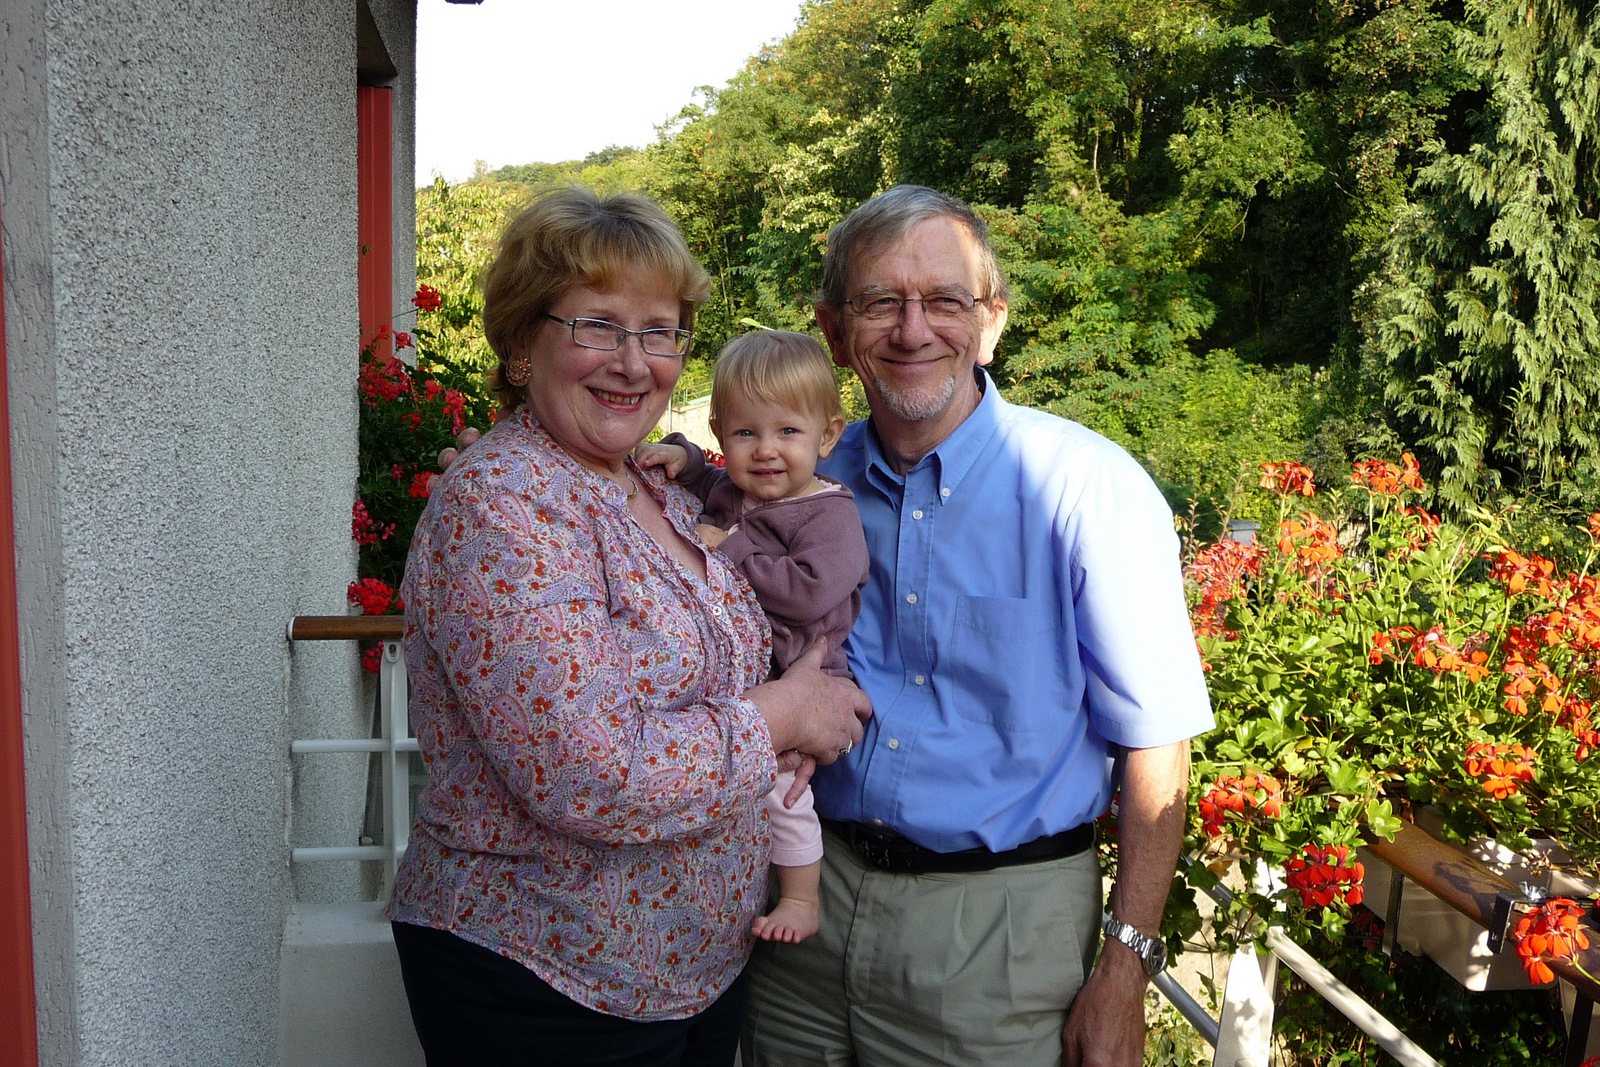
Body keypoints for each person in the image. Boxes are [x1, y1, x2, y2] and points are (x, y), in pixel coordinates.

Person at [386, 186, 871, 1067]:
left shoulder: (653, 487)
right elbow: (593, 772)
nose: (634, 361)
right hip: (550, 975)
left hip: (693, 969)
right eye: (599, 326)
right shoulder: (504, 504)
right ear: (523, 343)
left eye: (660, 331)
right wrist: (788, 715)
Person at [738, 185, 1215, 1067]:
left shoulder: (1087, 490)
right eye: (881, 301)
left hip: (998, 938)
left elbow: (1158, 745)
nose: (914, 329)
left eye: (946, 300)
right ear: (834, 330)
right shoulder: (801, 483)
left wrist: (1125, 971)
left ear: (991, 322)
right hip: (800, 902)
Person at [636, 330, 871, 945]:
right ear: (721, 432)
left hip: (806, 674)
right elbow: (706, 481)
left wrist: (731, 549)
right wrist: (683, 459)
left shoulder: (831, 515)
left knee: (782, 794)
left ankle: (800, 898)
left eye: (788, 431)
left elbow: (809, 592)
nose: (766, 450)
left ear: (827, 435)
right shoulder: (735, 489)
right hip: (747, 689)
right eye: (745, 433)